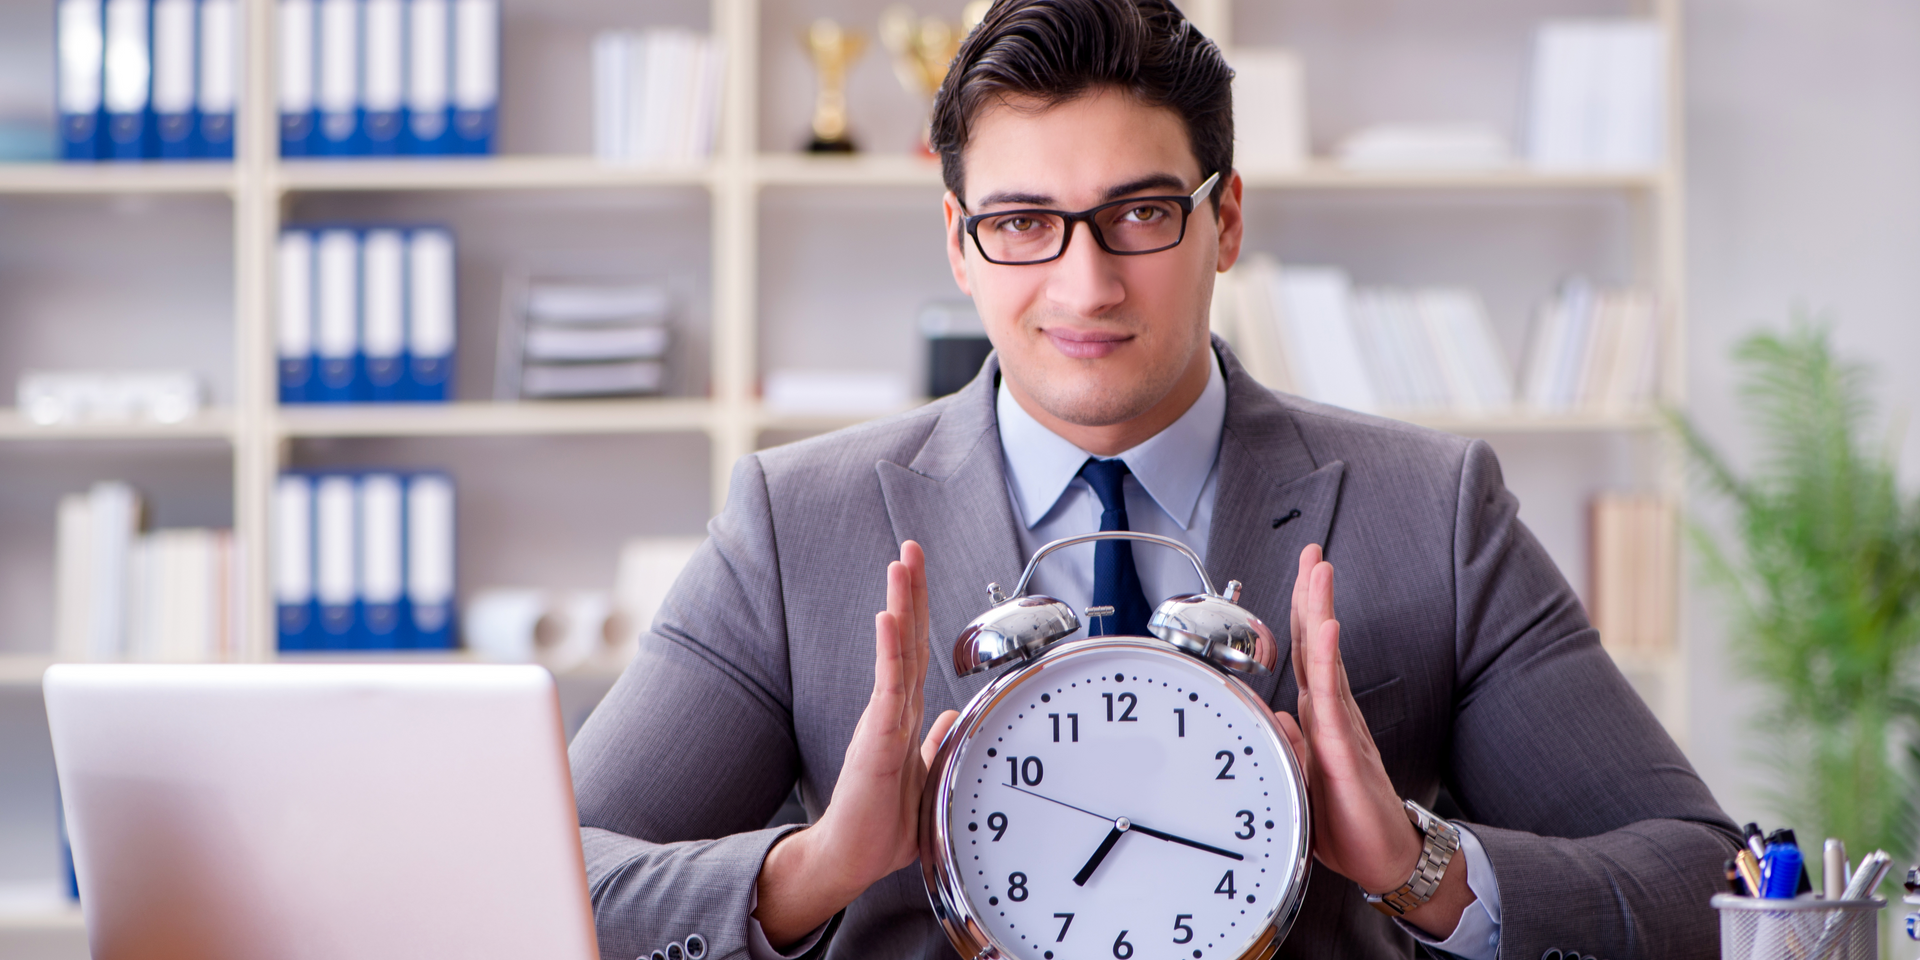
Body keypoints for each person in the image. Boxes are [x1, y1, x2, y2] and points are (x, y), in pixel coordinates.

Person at [569, 1, 1741, 957]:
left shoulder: (1430, 510)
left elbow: (1706, 876)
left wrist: (1418, 865)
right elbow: (556, 872)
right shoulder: (796, 523)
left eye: (1139, 214)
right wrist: (813, 869)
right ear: (957, 241)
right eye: (1023, 221)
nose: (1085, 287)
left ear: (1224, 220)